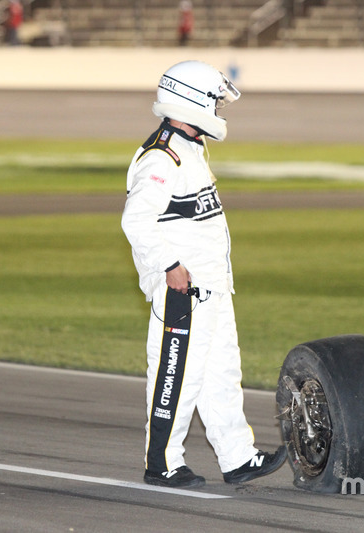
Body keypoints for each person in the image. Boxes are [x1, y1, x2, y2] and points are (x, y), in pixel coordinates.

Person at [121, 60, 287, 489]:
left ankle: (237, 457)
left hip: (213, 288)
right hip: (186, 291)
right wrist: (171, 268)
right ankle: (162, 463)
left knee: (222, 376)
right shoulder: (163, 156)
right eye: (214, 100)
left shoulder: (190, 148)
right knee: (178, 377)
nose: (218, 108)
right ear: (191, 100)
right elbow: (136, 221)